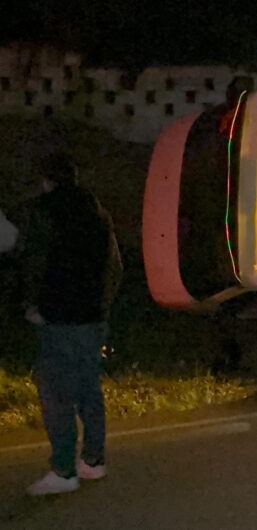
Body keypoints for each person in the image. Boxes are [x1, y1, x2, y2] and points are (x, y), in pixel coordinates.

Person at [23, 152, 123, 496]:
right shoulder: (98, 215)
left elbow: (35, 265)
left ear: (47, 180)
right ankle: (93, 461)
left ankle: (63, 469)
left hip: (60, 319)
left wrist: (35, 307)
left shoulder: (45, 213)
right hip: (92, 317)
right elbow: (115, 268)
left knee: (56, 394)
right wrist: (101, 307)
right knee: (88, 390)